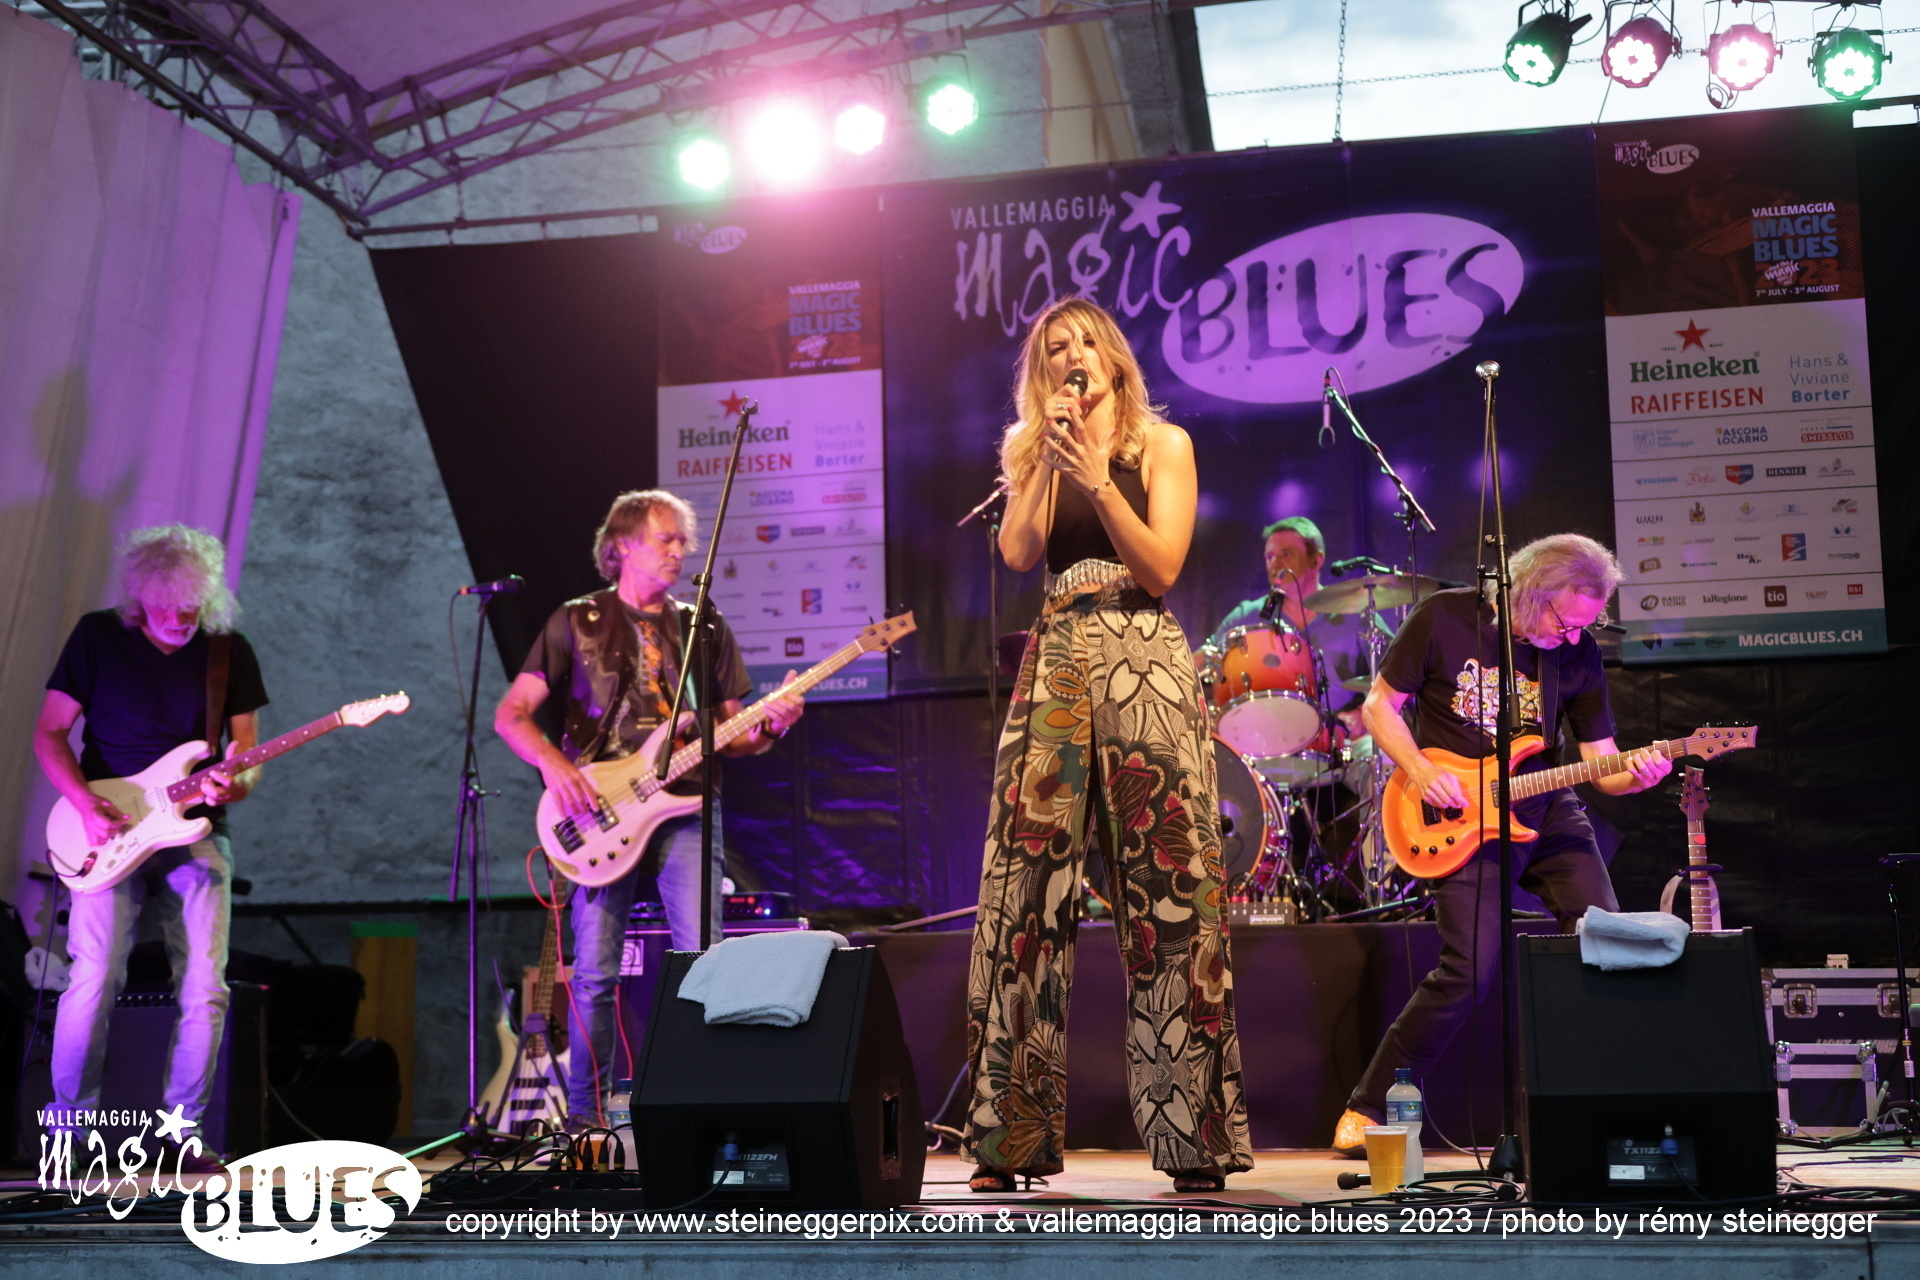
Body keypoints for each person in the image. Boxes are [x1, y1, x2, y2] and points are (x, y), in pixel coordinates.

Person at [962, 298, 1252, 1194]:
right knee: (1021, 898)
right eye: (1055, 349)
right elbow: (1019, 554)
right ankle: (1008, 1141)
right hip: (1056, 658)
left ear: (1115, 359)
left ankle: (1194, 1141)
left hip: (1143, 658)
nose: (1071, 356)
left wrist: (1097, 477)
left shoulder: (1162, 445)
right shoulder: (1034, 450)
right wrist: (1050, 462)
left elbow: (1160, 567)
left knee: (1172, 895)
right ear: (1042, 372)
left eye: (1085, 342)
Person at [1332, 533, 1671, 1153]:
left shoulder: (1578, 653)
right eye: (1565, 622)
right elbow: (1380, 706)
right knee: (1468, 971)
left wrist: (1638, 774)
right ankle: (1371, 1101)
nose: (1573, 636)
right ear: (1532, 593)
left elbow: (1602, 764)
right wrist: (1421, 769)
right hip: (1459, 811)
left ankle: (1604, 1102)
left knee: (1608, 939)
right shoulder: (1444, 617)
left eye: (1585, 626)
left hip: (1546, 806)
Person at [495, 489, 803, 1127]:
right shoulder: (576, 621)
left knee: (705, 963)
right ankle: (586, 1121)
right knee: (594, 974)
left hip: (686, 807)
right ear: (623, 546)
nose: (678, 551)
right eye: (665, 539)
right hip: (599, 811)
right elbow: (512, 715)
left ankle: (703, 1110)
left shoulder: (702, 625)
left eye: (682, 541)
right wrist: (555, 765)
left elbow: (733, 735)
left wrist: (771, 725)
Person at [35, 526, 268, 1168]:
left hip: (196, 830)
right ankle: (67, 1134)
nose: (179, 620)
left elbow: (246, 755)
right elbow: (50, 733)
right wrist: (86, 805)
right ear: (140, 599)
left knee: (206, 985)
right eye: (166, 607)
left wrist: (235, 784)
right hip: (105, 829)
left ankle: (181, 1132)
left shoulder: (228, 650)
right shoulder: (97, 636)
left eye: (191, 608)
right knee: (93, 977)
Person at [1206, 517, 1385, 741]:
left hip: (1344, 738)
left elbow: (1397, 672)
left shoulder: (1355, 613)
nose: (1275, 563)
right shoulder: (1247, 615)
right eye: (1270, 557)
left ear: (1316, 560)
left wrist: (1362, 714)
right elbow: (1203, 660)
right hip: (1267, 739)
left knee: (1376, 749)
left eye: (1286, 554)